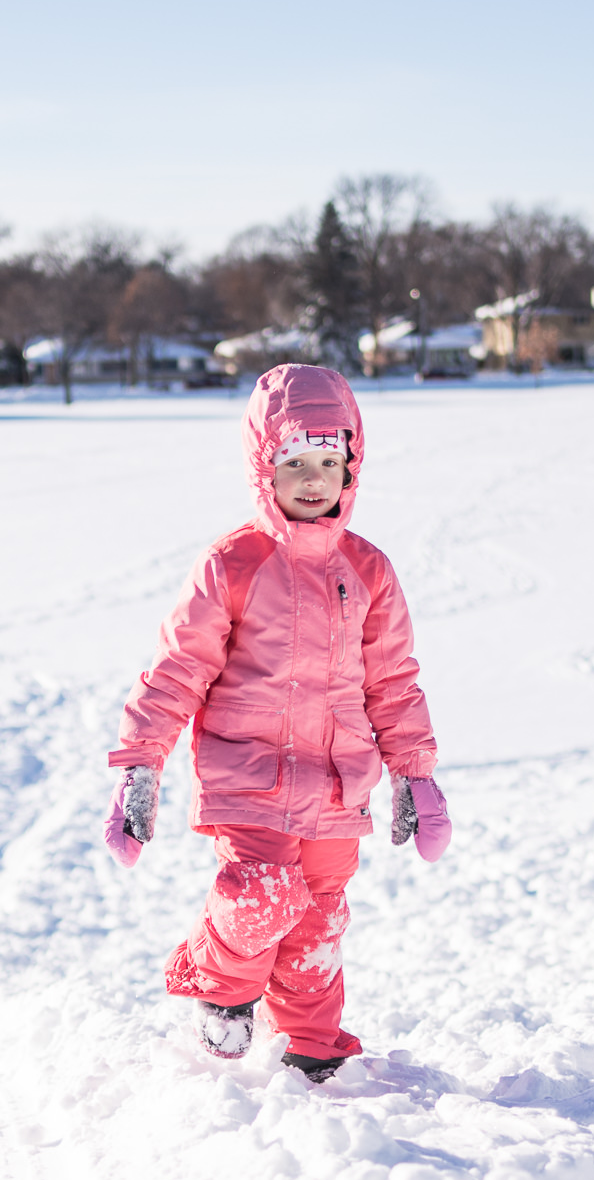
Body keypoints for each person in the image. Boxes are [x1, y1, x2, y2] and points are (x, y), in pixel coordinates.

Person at [104, 363, 452, 1082]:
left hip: (336, 788)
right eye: (295, 462)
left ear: (351, 465)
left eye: (330, 461)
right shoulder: (233, 563)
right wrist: (143, 761)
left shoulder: (368, 570)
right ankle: (222, 987)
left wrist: (415, 777)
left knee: (318, 919)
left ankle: (311, 1037)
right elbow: (178, 668)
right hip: (249, 779)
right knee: (261, 893)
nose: (315, 478)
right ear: (265, 467)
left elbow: (392, 682)